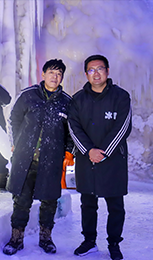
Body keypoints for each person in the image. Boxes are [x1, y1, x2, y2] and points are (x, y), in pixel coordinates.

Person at [3, 59, 74, 255]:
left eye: (59, 74)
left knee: (50, 201)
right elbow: (14, 119)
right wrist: (17, 142)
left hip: (51, 160)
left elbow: (71, 131)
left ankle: (46, 238)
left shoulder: (67, 102)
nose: (55, 76)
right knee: (21, 201)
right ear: (43, 74)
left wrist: (67, 151)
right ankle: (16, 239)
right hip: (26, 159)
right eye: (51, 72)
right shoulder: (28, 95)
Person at [68, 54, 132, 260]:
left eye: (100, 69)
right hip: (87, 161)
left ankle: (114, 243)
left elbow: (123, 127)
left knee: (115, 206)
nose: (96, 73)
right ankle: (89, 241)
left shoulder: (121, 96)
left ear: (108, 71)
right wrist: (88, 151)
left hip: (113, 160)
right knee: (88, 203)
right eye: (91, 70)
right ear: (86, 74)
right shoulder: (77, 99)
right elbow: (73, 127)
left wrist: (102, 152)